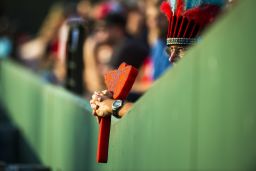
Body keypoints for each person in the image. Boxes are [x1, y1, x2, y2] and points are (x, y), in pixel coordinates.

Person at [90, 0, 224, 119]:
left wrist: (113, 105)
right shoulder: (157, 46)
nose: (171, 58)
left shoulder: (203, 77)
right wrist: (110, 99)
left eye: (180, 51)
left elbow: (164, 110)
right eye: (170, 51)